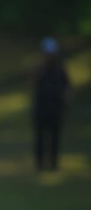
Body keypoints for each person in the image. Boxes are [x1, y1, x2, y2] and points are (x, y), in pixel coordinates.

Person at [32, 37, 71, 171]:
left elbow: (68, 87)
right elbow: (33, 80)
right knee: (40, 139)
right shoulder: (39, 68)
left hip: (56, 110)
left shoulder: (60, 70)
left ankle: (54, 165)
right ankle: (40, 164)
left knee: (55, 139)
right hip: (41, 110)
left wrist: (65, 98)